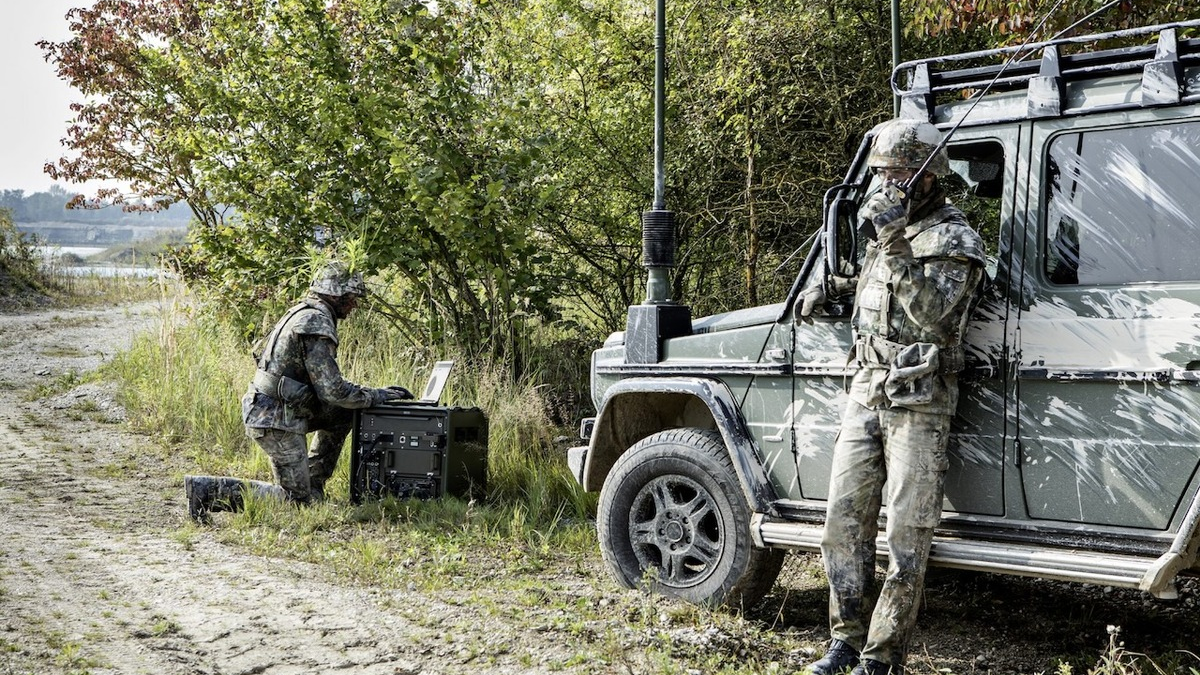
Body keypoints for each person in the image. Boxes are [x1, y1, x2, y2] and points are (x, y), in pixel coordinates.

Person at [801, 119, 986, 675]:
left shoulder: (956, 239)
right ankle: (844, 640)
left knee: (907, 534)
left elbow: (930, 312)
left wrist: (893, 239)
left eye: (901, 171)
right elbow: (875, 284)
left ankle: (882, 656)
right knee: (842, 521)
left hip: (920, 399)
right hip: (866, 387)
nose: (889, 182)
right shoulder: (893, 232)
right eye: (882, 171)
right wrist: (830, 287)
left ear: (930, 176)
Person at [185, 261, 413, 521]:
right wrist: (377, 395)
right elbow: (333, 391)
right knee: (295, 504)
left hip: (282, 410)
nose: (354, 305)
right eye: (350, 298)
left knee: (344, 414)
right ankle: (205, 491)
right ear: (334, 294)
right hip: (274, 418)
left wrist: (365, 397)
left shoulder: (304, 312)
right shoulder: (315, 321)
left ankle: (313, 485)